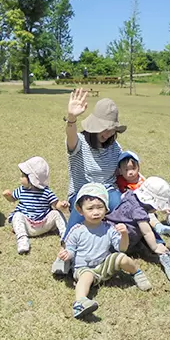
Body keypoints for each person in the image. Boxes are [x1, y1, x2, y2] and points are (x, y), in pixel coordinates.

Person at [52, 89, 125, 274]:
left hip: (108, 190)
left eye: (112, 129)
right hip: (82, 189)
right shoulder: (81, 142)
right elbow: (70, 137)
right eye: (104, 128)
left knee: (119, 207)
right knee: (84, 206)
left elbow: (123, 169)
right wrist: (71, 119)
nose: (108, 133)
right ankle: (66, 251)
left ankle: (114, 245)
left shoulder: (115, 147)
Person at [58, 183, 152, 319]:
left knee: (121, 258)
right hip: (83, 268)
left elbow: (122, 248)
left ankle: (136, 273)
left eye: (100, 207)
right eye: (90, 208)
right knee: (86, 277)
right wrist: (67, 254)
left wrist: (124, 235)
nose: (95, 212)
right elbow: (71, 249)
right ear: (80, 210)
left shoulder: (109, 228)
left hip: (104, 266)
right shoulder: (77, 230)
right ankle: (80, 302)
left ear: (106, 208)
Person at [105, 177, 170, 283]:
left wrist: (163, 209)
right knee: (148, 230)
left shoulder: (130, 195)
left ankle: (162, 254)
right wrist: (155, 247)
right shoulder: (139, 211)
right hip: (121, 240)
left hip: (109, 228)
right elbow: (146, 232)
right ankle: (160, 251)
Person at [3, 156, 68, 254]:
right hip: (27, 225)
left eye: (23, 176)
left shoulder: (46, 192)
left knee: (56, 213)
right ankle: (22, 239)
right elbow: (12, 199)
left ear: (32, 178)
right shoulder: (21, 190)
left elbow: (56, 204)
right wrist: (8, 196)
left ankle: (66, 236)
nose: (20, 178)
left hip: (43, 223)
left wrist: (62, 205)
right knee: (17, 216)